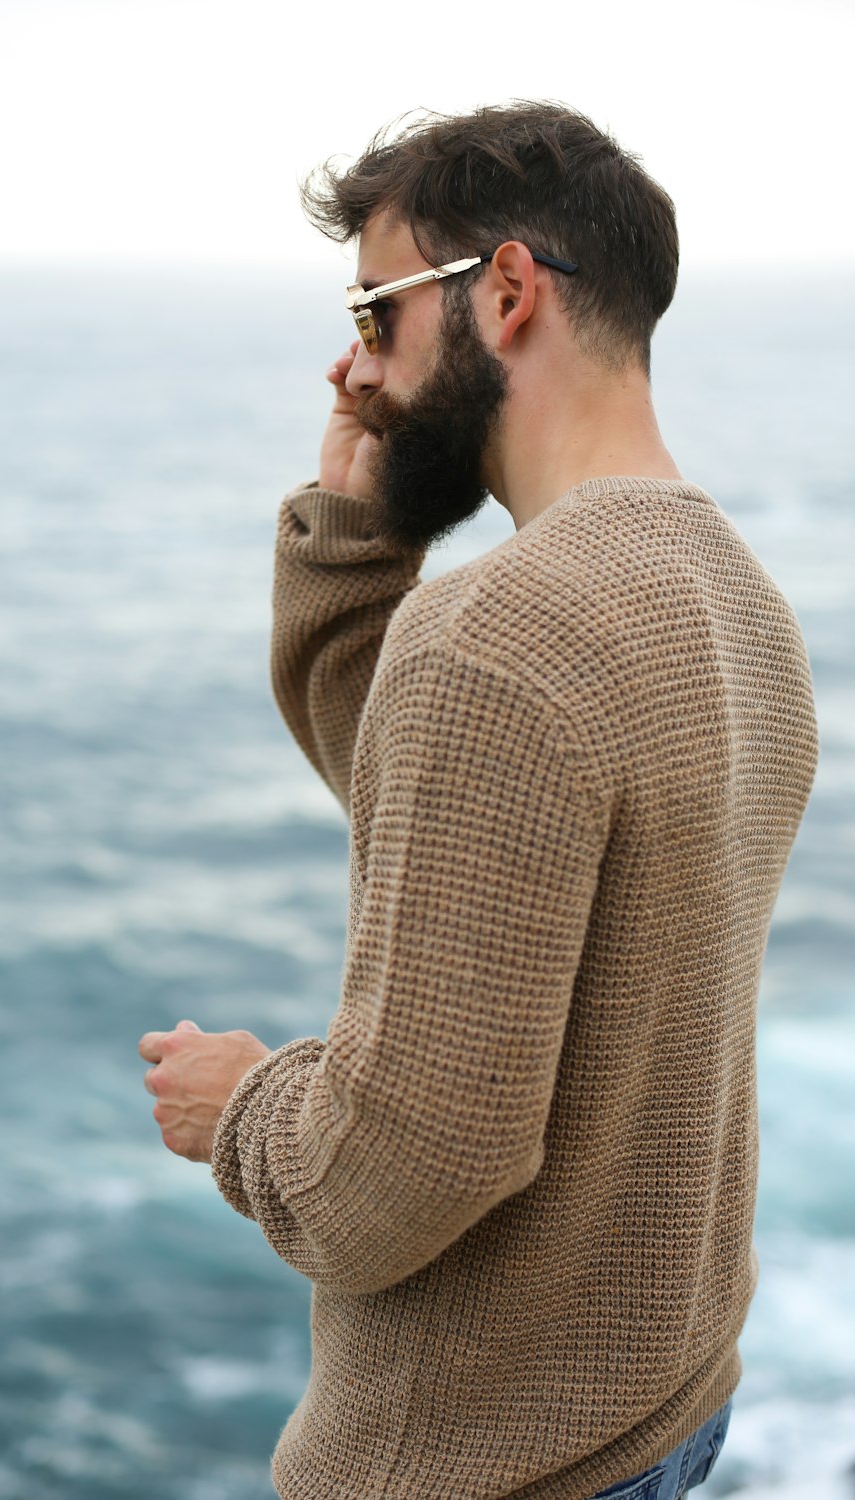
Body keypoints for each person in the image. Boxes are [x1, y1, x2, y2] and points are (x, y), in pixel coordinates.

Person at [138, 102, 818, 1499]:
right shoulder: (736, 602)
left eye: (378, 314)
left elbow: (407, 1163)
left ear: (506, 293)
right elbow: (454, 828)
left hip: (488, 1461)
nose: (350, 364)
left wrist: (246, 1105)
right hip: (663, 1406)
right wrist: (360, 554)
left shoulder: (501, 635)